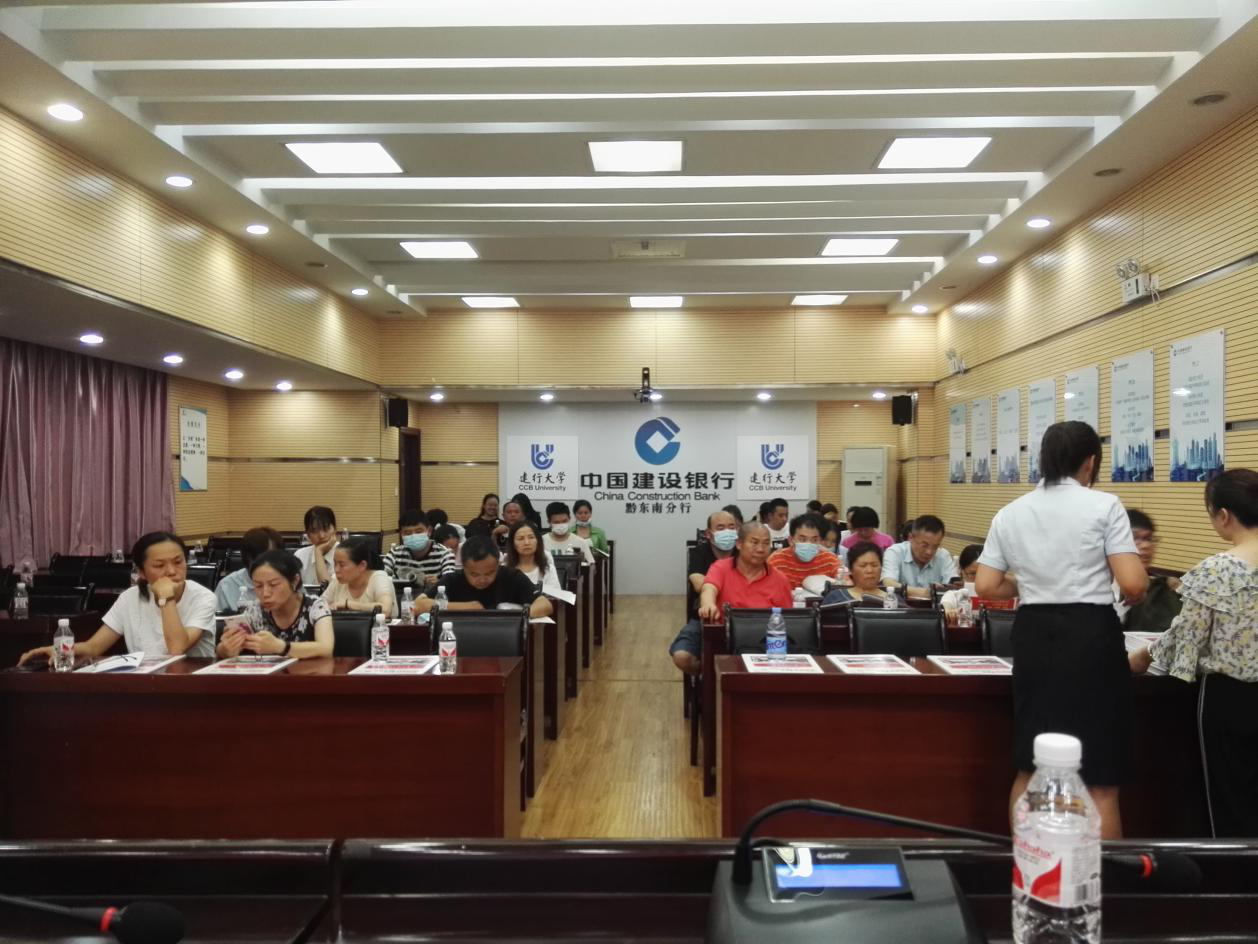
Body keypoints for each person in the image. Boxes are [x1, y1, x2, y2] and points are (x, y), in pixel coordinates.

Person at [975, 420, 1145, 839]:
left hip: (1034, 635)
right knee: (1100, 773)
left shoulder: (1011, 512)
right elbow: (1133, 584)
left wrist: (1033, 582)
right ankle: (1104, 873)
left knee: (1031, 763)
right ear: (1090, 462)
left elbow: (986, 586)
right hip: (1090, 636)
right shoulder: (1104, 505)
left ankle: (1026, 863)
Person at [1129, 469, 1258, 837]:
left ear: (1224, 516)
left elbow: (1187, 638)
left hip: (1229, 700)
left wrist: (1144, 655)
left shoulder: (1216, 571)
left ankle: (1234, 872)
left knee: (1230, 802)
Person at [18, 532, 217, 665]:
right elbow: (94, 647)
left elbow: (177, 648)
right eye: (159, 565)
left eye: (178, 562)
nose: (172, 571)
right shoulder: (129, 598)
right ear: (141, 572)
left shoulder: (203, 598)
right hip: (144, 684)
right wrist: (62, 650)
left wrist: (166, 597)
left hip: (191, 682)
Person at [217, 550, 334, 660]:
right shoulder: (255, 610)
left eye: (273, 584)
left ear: (295, 580)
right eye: (258, 586)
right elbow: (222, 651)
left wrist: (281, 647)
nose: (265, 593)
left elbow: (326, 648)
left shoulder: (315, 606)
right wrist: (225, 649)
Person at [669, 509, 740, 674]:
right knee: (682, 656)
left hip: (741, 617)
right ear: (709, 534)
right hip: (705, 618)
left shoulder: (743, 552)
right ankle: (707, 679)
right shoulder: (699, 553)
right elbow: (699, 584)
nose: (727, 532)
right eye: (720, 528)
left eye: (731, 527)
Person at [412, 537, 552, 619]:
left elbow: (545, 605)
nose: (482, 580)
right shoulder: (452, 580)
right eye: (474, 574)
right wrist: (467, 607)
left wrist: (514, 617)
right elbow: (418, 605)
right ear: (463, 567)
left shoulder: (512, 577)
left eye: (489, 573)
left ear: (498, 564)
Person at [695, 523, 793, 624]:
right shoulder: (721, 568)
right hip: (725, 631)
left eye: (766, 543)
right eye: (754, 542)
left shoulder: (780, 580)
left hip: (765, 632)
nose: (760, 549)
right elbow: (709, 589)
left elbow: (787, 620)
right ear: (739, 544)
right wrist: (708, 604)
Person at [1115, 509, 1183, 632]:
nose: (1146, 545)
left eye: (1149, 538)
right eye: (1135, 537)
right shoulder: (1096, 587)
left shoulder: (1162, 591)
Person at [323, 536, 398, 618]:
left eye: (342, 565)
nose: (336, 570)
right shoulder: (337, 581)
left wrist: (348, 604)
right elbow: (317, 606)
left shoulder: (379, 578)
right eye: (335, 564)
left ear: (362, 565)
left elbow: (385, 610)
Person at [881, 515, 958, 592]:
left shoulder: (943, 556)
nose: (929, 552)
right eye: (924, 545)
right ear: (911, 538)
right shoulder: (895, 552)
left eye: (935, 547)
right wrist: (925, 592)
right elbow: (888, 583)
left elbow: (954, 586)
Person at [383, 509, 457, 589]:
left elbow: (450, 582)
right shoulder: (395, 553)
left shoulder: (445, 554)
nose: (413, 536)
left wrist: (439, 582)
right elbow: (380, 576)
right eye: (407, 533)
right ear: (401, 534)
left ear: (429, 531)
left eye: (418, 532)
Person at [214, 526, 282, 612]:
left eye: (274, 558)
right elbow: (216, 619)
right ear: (248, 559)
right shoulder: (226, 586)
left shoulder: (287, 582)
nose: (269, 565)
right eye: (262, 560)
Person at [767, 513, 841, 590]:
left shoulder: (830, 561)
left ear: (820, 541)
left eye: (814, 540)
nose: (808, 544)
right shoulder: (777, 561)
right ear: (791, 540)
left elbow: (845, 585)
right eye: (802, 539)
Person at [822, 541, 892, 605]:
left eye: (874, 565)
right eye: (863, 566)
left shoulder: (893, 600)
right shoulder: (835, 598)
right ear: (851, 569)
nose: (870, 570)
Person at [505, 520, 562, 597]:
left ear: (538, 541)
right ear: (513, 544)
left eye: (531, 537)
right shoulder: (504, 569)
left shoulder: (548, 569)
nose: (527, 543)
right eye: (520, 538)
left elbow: (556, 597)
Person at [294, 505, 338, 585]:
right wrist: (319, 552)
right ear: (308, 535)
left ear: (335, 529)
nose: (321, 536)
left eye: (325, 528)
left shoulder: (347, 554)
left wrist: (318, 552)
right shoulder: (300, 555)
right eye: (314, 531)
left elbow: (328, 590)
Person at [939, 544, 984, 618]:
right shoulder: (954, 596)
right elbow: (946, 606)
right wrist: (949, 612)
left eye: (983, 574)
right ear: (962, 572)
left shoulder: (999, 598)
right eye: (973, 574)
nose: (978, 579)